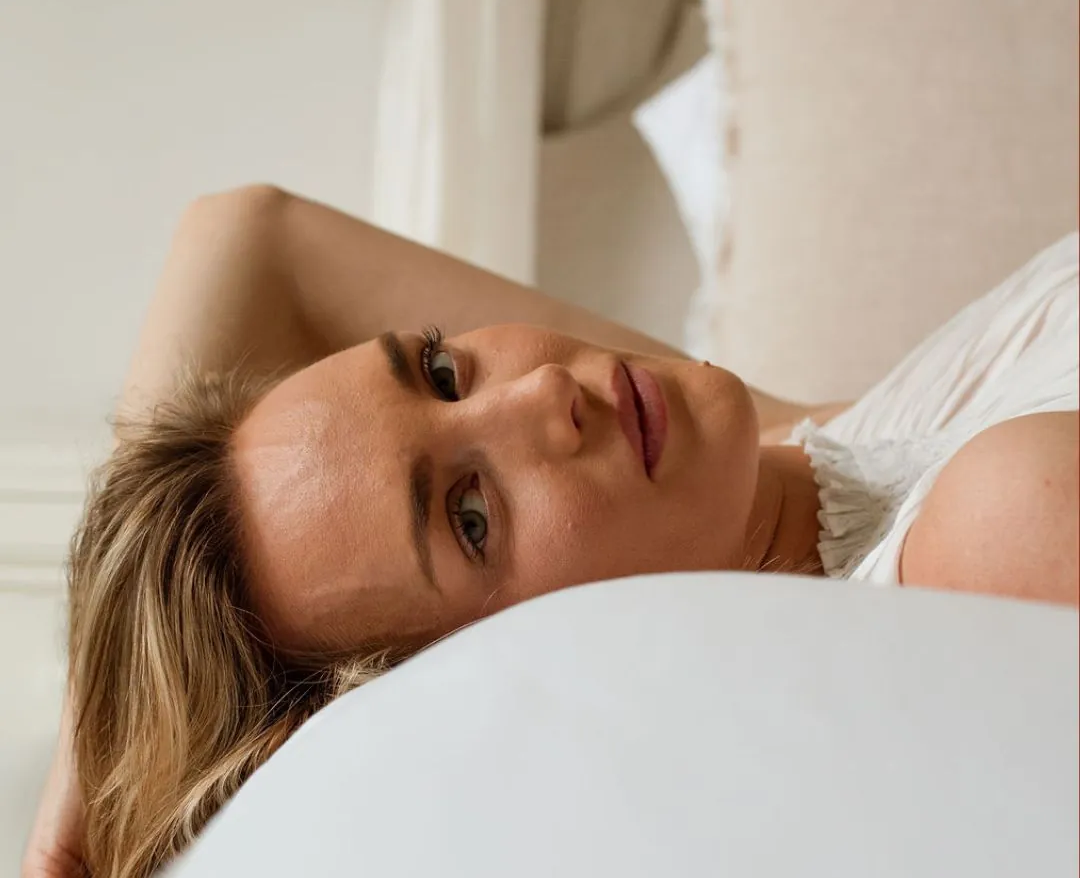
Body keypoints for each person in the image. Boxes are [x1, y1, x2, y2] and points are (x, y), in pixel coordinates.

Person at [23, 185, 1078, 878]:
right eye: (470, 516)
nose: (536, 397)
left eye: (439, 370)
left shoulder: (815, 449)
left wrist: (70, 823)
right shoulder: (989, 527)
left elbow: (250, 235)